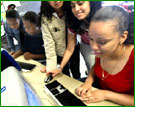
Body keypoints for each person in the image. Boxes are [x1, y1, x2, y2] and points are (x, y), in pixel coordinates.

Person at [76, 6, 134, 106]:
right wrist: (88, 81)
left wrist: (106, 95)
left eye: (102, 42)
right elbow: (96, 67)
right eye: (91, 39)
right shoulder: (102, 52)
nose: (93, 47)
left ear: (122, 37)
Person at [50, 1, 102, 77]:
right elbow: (70, 48)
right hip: (87, 46)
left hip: (104, 46)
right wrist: (60, 68)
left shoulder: (103, 17)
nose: (76, 9)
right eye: (73, 6)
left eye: (80, 3)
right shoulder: (73, 21)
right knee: (93, 73)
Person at [39, 1, 80, 78]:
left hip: (73, 48)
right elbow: (48, 43)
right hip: (59, 52)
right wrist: (51, 67)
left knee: (76, 72)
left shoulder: (72, 10)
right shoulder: (45, 17)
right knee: (63, 75)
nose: (56, 1)